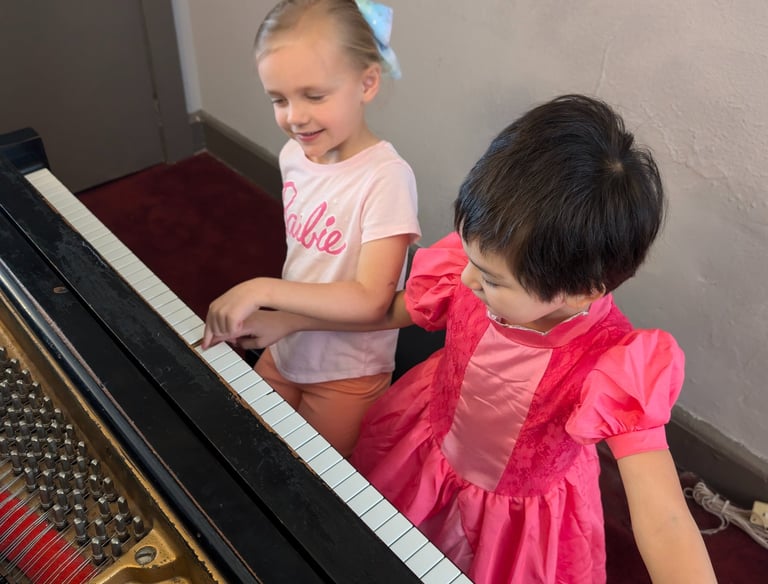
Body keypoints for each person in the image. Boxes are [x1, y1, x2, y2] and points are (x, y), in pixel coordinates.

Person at [241, 95, 717, 583]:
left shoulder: (614, 363)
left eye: (491, 279)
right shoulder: (475, 274)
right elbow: (389, 311)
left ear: (580, 291)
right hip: (424, 453)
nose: (466, 279)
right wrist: (293, 320)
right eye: (471, 259)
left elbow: (666, 520)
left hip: (517, 520)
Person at [201, 0, 420, 458]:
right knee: (248, 448)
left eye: (314, 96)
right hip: (288, 344)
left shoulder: (386, 179)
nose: (294, 117)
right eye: (279, 99)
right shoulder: (294, 156)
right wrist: (284, 321)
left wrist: (263, 289)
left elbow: (370, 299)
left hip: (347, 374)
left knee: (310, 478)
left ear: (367, 83)